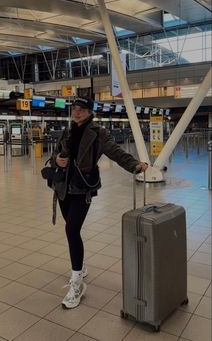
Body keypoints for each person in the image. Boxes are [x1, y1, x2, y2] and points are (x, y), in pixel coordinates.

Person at [50, 96, 148, 309]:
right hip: (63, 188)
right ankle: (81, 266)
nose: (76, 113)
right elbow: (54, 154)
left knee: (72, 230)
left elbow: (116, 152)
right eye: (74, 108)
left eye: (81, 109)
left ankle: (77, 282)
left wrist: (135, 165)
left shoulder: (98, 133)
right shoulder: (67, 132)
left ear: (89, 112)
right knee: (72, 229)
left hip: (82, 187)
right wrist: (57, 159)